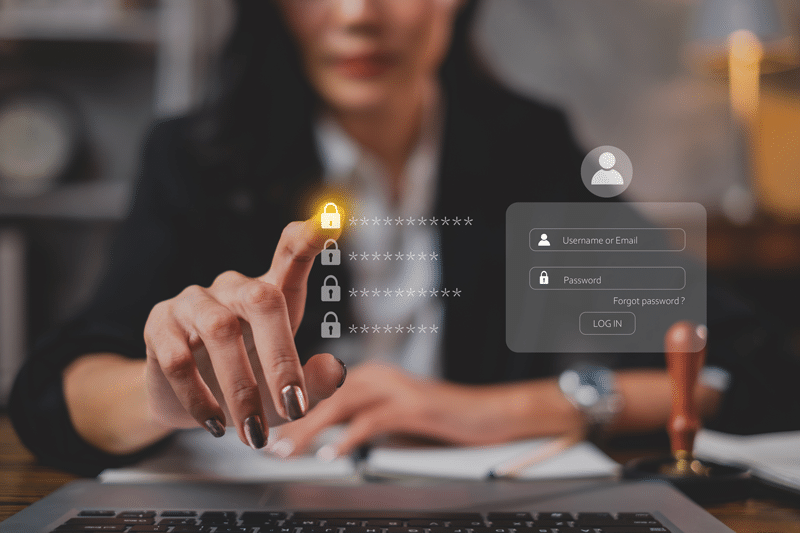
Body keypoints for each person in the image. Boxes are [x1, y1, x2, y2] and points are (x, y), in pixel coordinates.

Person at [10, 0, 800, 476]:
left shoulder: (524, 152)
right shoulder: (199, 160)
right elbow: (48, 395)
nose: (358, 14)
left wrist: (514, 407)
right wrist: (159, 394)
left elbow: (754, 362)